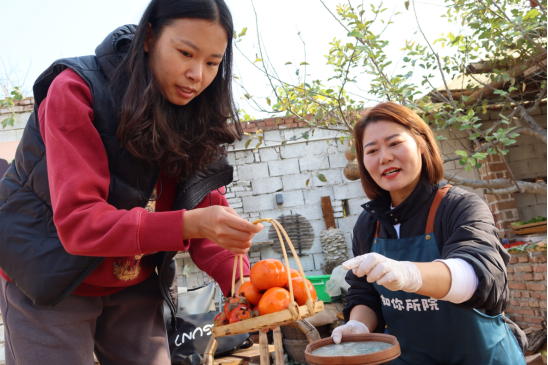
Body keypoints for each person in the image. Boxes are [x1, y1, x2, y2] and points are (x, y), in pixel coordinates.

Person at [0, 1, 263, 364]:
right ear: (149, 37)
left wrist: (245, 288)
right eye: (186, 52)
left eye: (212, 63)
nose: (197, 75)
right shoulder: (77, 90)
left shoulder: (193, 114)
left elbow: (205, 210)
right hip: (48, 273)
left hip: (133, 281)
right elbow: (81, 223)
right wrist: (190, 224)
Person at [331, 102, 526, 365]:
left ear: (421, 143)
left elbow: (481, 277)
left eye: (394, 143)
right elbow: (365, 293)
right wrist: (358, 325)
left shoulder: (460, 207)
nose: (384, 157)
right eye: (372, 150)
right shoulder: (368, 225)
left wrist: (409, 274)